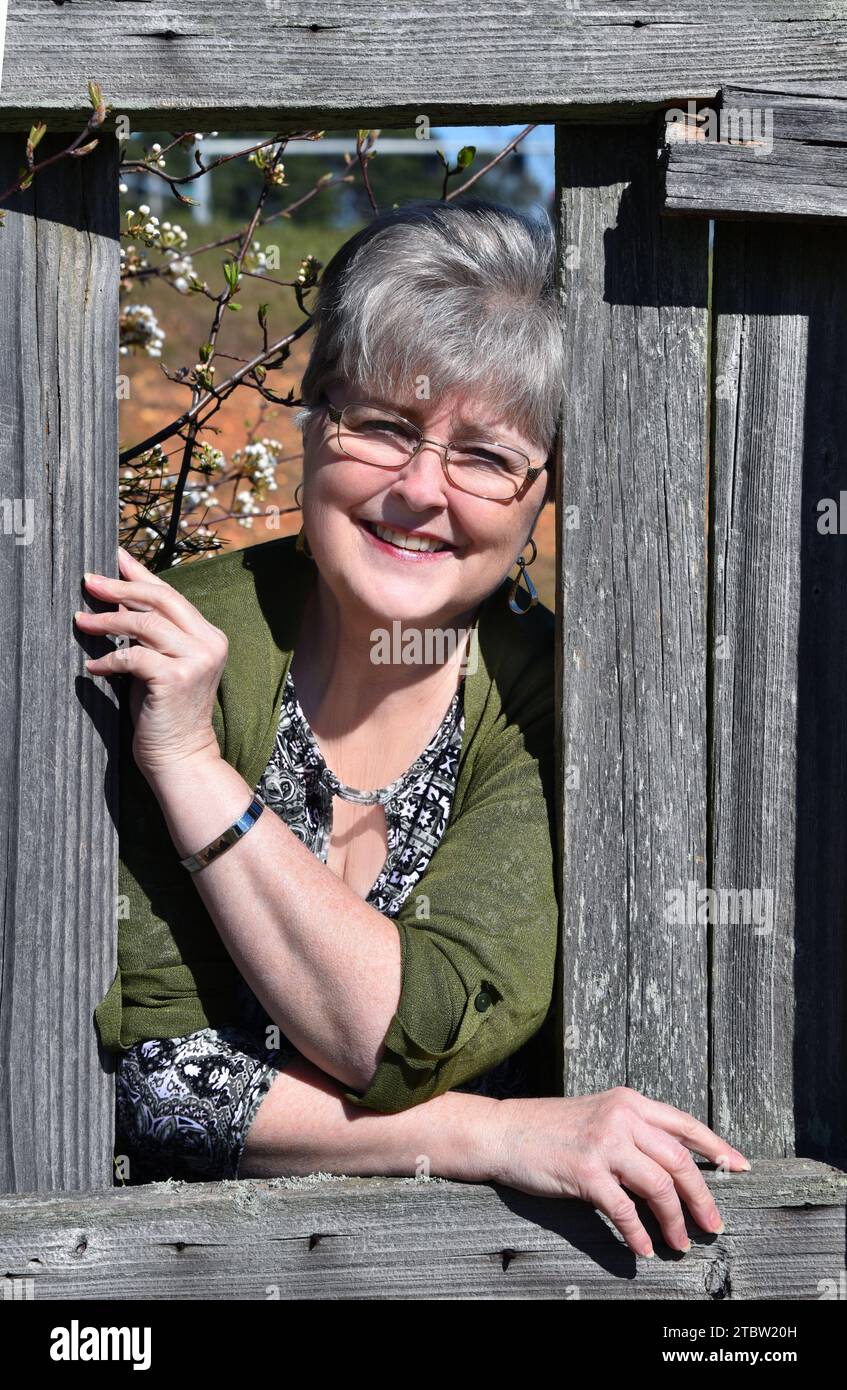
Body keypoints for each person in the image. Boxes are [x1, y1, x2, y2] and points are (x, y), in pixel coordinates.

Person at [83, 197, 747, 1259]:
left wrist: (196, 778)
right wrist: (491, 1132)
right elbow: (152, 1072)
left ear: (541, 495)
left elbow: (404, 1025)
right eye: (383, 426)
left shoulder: (554, 702)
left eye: (485, 456)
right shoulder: (169, 648)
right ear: (310, 418)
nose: (419, 491)